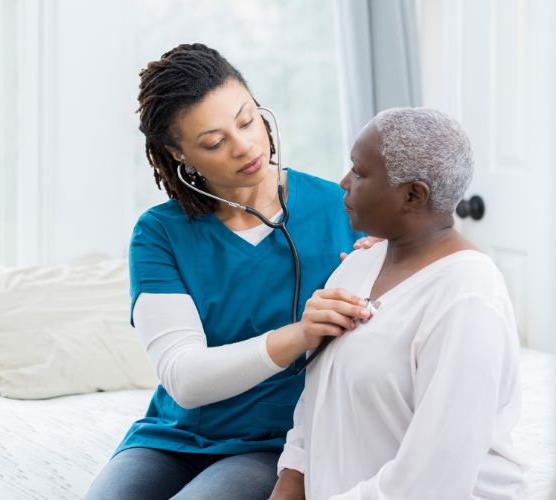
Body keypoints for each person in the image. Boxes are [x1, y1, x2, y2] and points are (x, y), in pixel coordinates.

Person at [86, 43, 373, 500]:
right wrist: (301, 333)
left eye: (246, 120)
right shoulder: (160, 233)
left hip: (278, 445)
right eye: (214, 142)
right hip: (173, 439)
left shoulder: (344, 209)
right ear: (181, 156)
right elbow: (186, 379)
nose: (245, 147)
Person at [271, 108, 525, 500]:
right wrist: (288, 487)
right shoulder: (356, 265)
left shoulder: (468, 299)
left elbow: (430, 483)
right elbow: (316, 409)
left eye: (359, 172)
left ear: (413, 195)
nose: (343, 182)